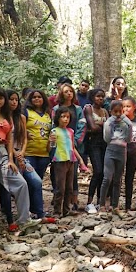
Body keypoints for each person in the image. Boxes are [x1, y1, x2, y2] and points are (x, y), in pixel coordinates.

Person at [0, 88, 39, 238]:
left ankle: (24, 219)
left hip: (3, 152)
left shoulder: (7, 117)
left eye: (1, 98)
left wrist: (11, 159)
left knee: (21, 183)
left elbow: (10, 139)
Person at [10, 90, 45, 220]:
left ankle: (39, 213)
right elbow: (5, 140)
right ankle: (15, 215)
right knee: (17, 185)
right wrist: (15, 153)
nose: (14, 102)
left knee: (36, 181)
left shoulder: (21, 117)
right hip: (7, 155)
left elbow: (24, 138)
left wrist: (21, 153)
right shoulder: (2, 118)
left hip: (21, 155)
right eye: (11, 99)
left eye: (16, 99)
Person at [52, 83, 86, 211]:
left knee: (71, 183)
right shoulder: (56, 110)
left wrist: (76, 141)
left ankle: (68, 207)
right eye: (66, 91)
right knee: (60, 184)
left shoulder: (77, 109)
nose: (69, 94)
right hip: (59, 156)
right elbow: (52, 138)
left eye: (71, 91)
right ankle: (57, 208)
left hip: (72, 152)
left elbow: (82, 125)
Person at [99, 101, 132, 216]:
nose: (118, 114)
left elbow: (128, 138)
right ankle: (102, 204)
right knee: (107, 178)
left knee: (118, 179)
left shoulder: (125, 122)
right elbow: (107, 138)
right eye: (115, 111)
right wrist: (111, 121)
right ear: (111, 111)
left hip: (122, 151)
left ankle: (115, 205)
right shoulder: (108, 122)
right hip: (111, 149)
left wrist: (126, 120)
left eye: (120, 111)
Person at [84, 89, 108, 214]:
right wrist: (100, 125)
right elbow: (92, 127)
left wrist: (98, 124)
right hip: (93, 143)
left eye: (102, 97)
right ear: (92, 97)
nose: (100, 99)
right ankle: (89, 202)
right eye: (98, 96)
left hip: (104, 143)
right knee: (97, 171)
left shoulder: (104, 111)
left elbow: (110, 127)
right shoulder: (88, 108)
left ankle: (100, 201)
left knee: (104, 173)